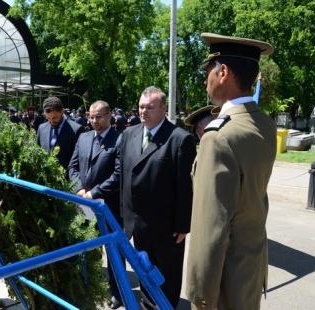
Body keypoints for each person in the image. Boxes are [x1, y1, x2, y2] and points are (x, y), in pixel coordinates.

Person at [185, 33, 277, 310]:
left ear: (222, 72)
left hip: (224, 285)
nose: (205, 80)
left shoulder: (218, 137)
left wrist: (200, 298)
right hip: (250, 270)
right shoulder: (264, 125)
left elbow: (209, 231)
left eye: (208, 72)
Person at [118, 86, 196, 308]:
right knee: (144, 275)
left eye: (150, 107)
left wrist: (183, 225)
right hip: (137, 226)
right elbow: (124, 176)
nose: (143, 111)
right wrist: (126, 217)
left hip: (167, 230)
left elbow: (185, 187)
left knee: (166, 281)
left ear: (163, 109)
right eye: (141, 106)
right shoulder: (129, 134)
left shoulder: (179, 139)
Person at [68, 100, 123, 309]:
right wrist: (79, 189)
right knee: (85, 246)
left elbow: (118, 174)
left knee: (113, 252)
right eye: (91, 116)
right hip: (83, 203)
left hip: (108, 205)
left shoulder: (119, 140)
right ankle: (88, 286)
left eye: (98, 116)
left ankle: (117, 292)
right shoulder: (83, 137)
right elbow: (72, 166)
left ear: (109, 116)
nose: (93, 121)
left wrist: (94, 192)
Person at [36, 96, 84, 171]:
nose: (51, 121)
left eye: (54, 118)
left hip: (67, 178)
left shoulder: (76, 130)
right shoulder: (41, 128)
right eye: (48, 118)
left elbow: (79, 160)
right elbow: (38, 152)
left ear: (62, 111)